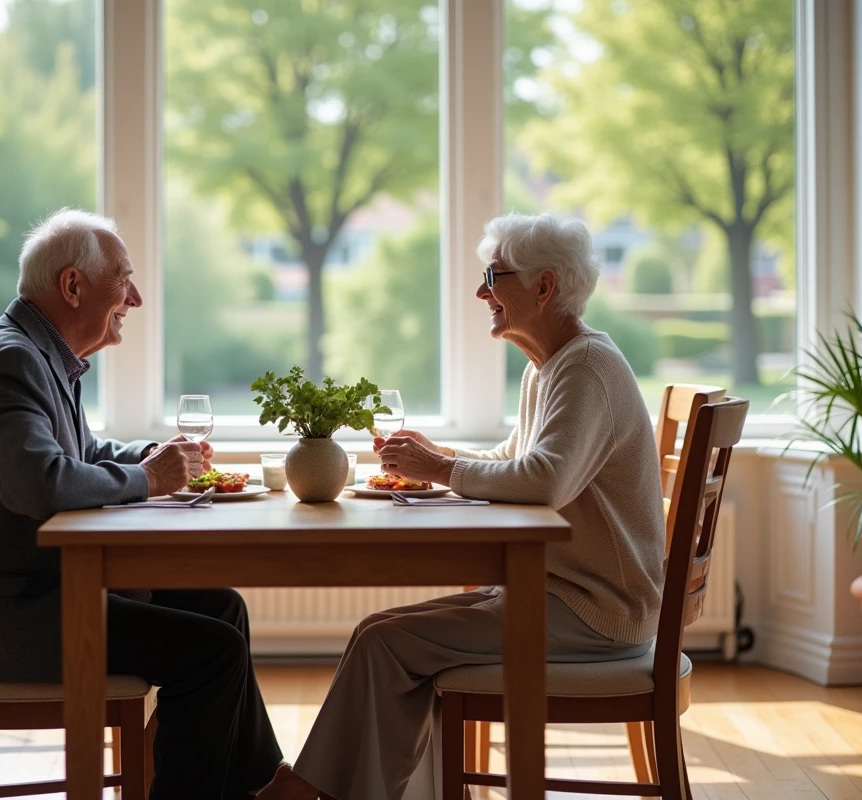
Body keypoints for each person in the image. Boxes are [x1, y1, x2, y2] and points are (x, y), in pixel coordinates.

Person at [256, 212, 668, 800]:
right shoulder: (553, 367)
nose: (482, 292)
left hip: (596, 612)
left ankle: (306, 792)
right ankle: (326, 791)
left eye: (494, 276)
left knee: (383, 643)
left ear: (544, 287)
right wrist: (438, 453)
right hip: (564, 594)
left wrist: (441, 470)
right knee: (378, 634)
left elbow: (544, 481)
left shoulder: (587, 369)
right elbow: (515, 456)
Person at [0, 208, 283, 799]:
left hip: (28, 593)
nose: (134, 298)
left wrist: (154, 456)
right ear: (73, 285)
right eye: (124, 279)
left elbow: (79, 451)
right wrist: (147, 478)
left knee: (222, 610)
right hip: (0, 615)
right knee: (212, 653)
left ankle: (265, 788)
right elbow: (43, 484)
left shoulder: (38, 353)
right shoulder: (9, 361)